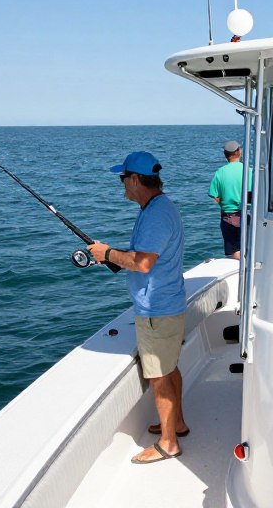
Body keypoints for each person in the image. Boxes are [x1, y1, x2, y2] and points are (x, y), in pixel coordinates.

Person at [88, 151, 189, 463]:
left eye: (123, 179)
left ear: (135, 179)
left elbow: (143, 263)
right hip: (166, 304)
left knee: (158, 376)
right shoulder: (157, 207)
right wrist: (114, 254)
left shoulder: (157, 214)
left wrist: (107, 254)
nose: (122, 185)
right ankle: (178, 423)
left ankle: (168, 443)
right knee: (169, 369)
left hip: (157, 310)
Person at [209, 140, 246, 259]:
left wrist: (224, 204)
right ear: (239, 152)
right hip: (246, 215)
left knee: (234, 251)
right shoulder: (248, 171)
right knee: (248, 247)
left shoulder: (220, 172)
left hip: (227, 216)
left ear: (225, 154)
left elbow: (215, 196)